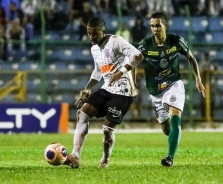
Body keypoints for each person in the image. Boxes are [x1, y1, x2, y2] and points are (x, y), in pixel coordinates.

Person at [109, 12, 206, 167]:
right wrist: (133, 83)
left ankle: (169, 158)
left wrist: (198, 80)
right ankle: (176, 134)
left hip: (174, 84)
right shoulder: (146, 44)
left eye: (158, 25)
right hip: (155, 91)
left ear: (165, 26)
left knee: (175, 118)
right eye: (152, 26)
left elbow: (191, 58)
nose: (155, 29)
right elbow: (134, 61)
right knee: (167, 130)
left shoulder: (176, 41)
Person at [63, 17, 144, 168]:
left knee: (107, 129)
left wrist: (121, 72)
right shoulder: (94, 49)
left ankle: (105, 159)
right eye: (89, 33)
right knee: (82, 113)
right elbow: (98, 71)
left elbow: (138, 55)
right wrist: (88, 88)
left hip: (124, 91)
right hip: (107, 88)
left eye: (95, 34)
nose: (92, 37)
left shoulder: (116, 41)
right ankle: (75, 156)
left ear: (104, 32)